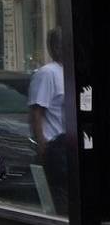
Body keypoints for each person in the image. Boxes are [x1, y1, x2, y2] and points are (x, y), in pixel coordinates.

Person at [28, 27, 66, 214]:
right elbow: (36, 112)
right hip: (56, 146)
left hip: (70, 145)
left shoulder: (70, 71)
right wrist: (42, 146)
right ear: (55, 48)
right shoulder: (48, 73)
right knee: (61, 197)